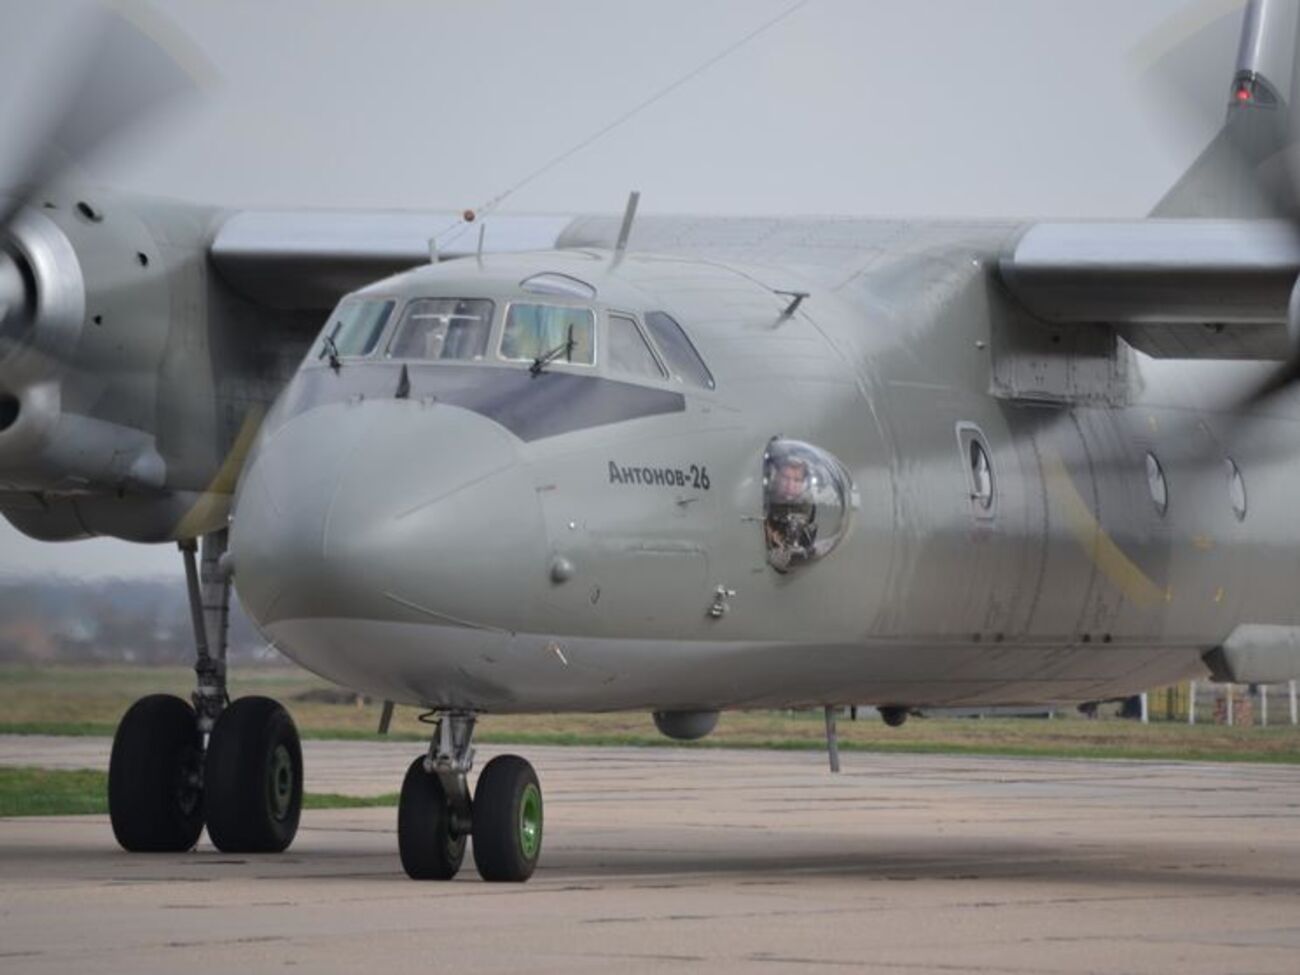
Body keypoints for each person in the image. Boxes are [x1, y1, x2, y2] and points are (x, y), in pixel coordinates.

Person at [765, 456, 818, 572]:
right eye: (785, 478)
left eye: (797, 480)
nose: (790, 486)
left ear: (804, 483)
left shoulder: (805, 505)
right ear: (776, 478)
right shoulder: (764, 498)